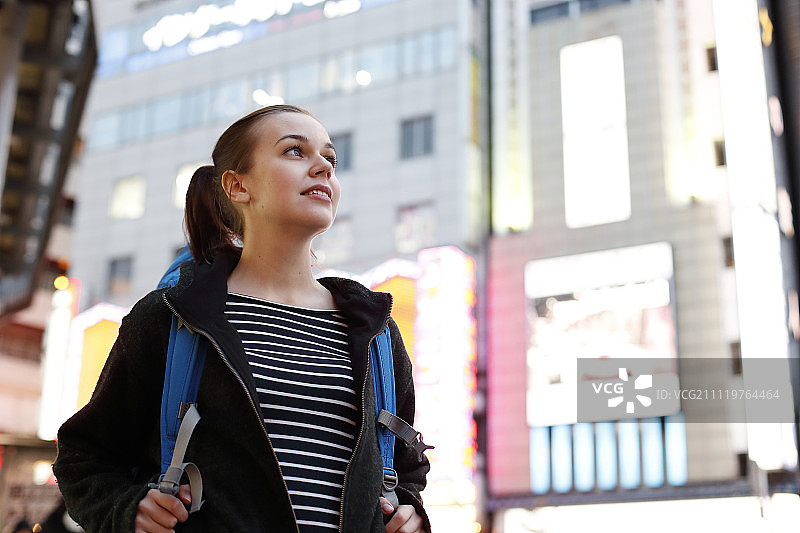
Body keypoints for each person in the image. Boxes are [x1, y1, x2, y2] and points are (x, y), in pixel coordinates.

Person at [53, 104, 431, 533]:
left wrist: (408, 511)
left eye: (331, 158)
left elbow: (404, 466)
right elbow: (85, 457)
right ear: (237, 185)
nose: (323, 167)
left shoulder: (376, 332)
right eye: (295, 151)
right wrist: (126, 511)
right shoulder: (173, 319)